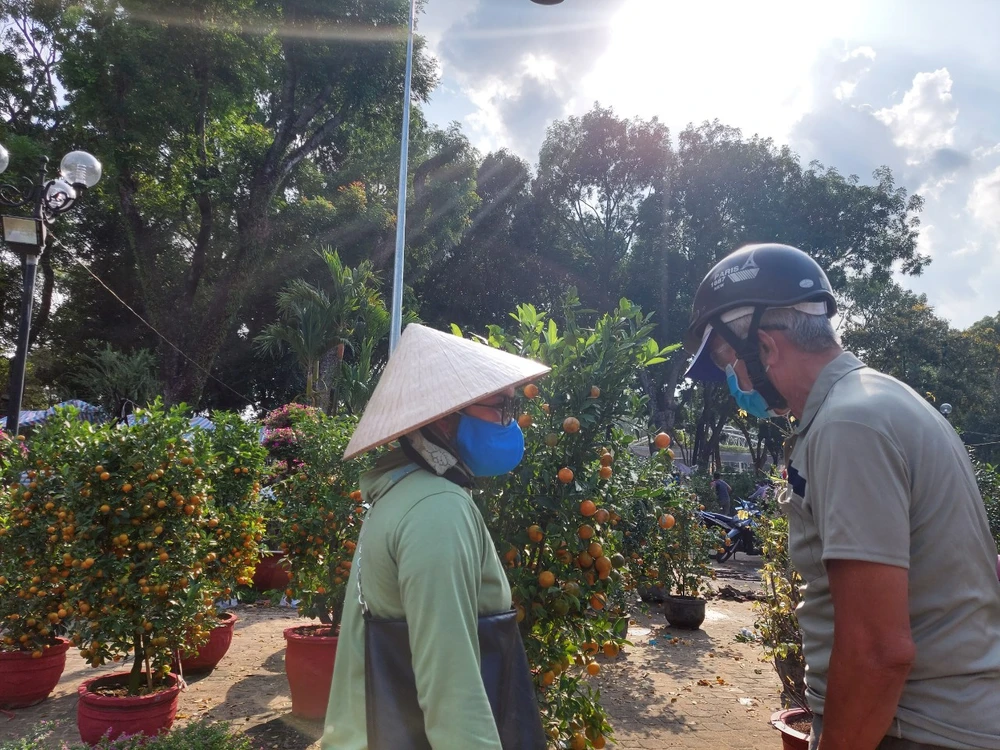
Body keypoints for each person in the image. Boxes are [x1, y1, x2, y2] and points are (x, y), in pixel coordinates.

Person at [683, 243, 1000, 750]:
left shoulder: (848, 425)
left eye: (727, 362)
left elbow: (878, 652)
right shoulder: (879, 401)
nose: (731, 381)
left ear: (764, 348)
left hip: (913, 730)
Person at [322, 323, 550, 750]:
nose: (511, 421)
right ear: (446, 417)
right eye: (501, 406)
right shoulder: (437, 509)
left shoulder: (402, 492)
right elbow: (451, 694)